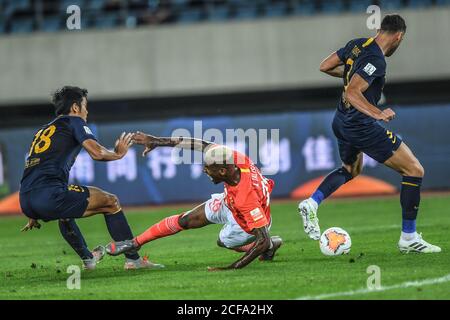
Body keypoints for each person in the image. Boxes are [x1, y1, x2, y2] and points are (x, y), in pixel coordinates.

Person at [298, 14, 440, 253]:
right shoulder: (376, 59)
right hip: (360, 125)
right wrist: (377, 113)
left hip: (341, 120)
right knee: (414, 170)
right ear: (399, 36)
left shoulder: (358, 44)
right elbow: (353, 92)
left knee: (350, 170)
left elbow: (325, 66)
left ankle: (312, 203)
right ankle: (409, 237)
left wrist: (351, 78)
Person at [19, 86, 164, 269]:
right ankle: (133, 260)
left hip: (27, 198)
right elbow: (97, 153)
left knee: (66, 214)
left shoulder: (43, 130)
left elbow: (34, 167)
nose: (86, 111)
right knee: (110, 202)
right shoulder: (74, 122)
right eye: (85, 106)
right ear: (75, 108)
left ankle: (89, 259)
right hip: (48, 194)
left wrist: (33, 209)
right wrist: (118, 154)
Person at [106, 132, 282, 270]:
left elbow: (262, 238)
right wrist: (157, 141)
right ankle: (134, 243)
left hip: (245, 225)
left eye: (208, 168)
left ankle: (271, 246)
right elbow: (200, 144)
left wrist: (232, 268)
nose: (205, 170)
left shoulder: (246, 197)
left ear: (222, 171)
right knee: (185, 220)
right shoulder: (234, 158)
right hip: (230, 201)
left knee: (224, 241)